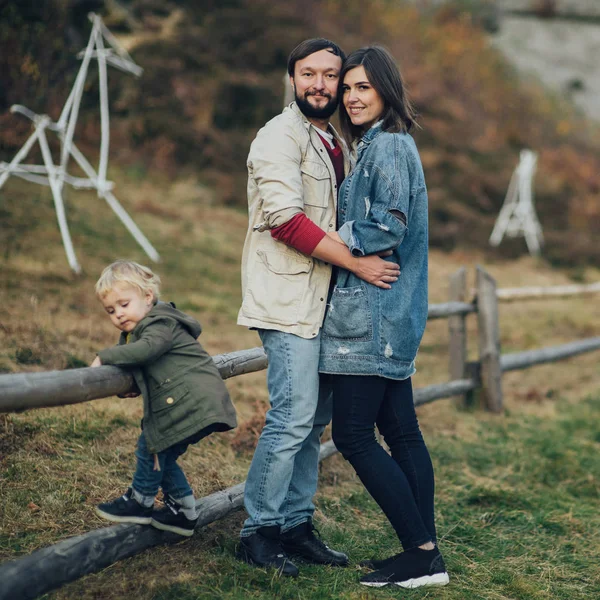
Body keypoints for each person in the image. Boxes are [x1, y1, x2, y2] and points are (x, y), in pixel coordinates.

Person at [237, 38, 401, 577]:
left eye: (332, 76)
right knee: (291, 418)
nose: (321, 85)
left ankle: (295, 524)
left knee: (312, 424)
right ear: (292, 77)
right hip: (288, 300)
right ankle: (256, 531)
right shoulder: (277, 137)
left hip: (328, 305)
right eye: (310, 73)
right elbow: (286, 222)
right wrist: (357, 263)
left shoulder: (334, 140)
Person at [319, 46, 450, 589]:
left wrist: (330, 242)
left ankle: (420, 553)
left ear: (387, 92)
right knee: (401, 430)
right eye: (347, 87)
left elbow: (388, 225)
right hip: (388, 315)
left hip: (372, 317)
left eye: (363, 88)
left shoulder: (389, 147)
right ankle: (427, 556)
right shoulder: (380, 146)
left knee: (352, 434)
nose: (351, 96)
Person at [90, 260, 237, 537]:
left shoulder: (159, 322)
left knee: (151, 447)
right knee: (162, 454)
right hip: (193, 402)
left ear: (148, 297)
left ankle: (140, 501)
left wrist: (104, 357)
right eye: (111, 310)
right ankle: (183, 512)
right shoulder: (138, 331)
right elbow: (145, 363)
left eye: (124, 304)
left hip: (192, 402)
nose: (119, 314)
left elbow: (148, 350)